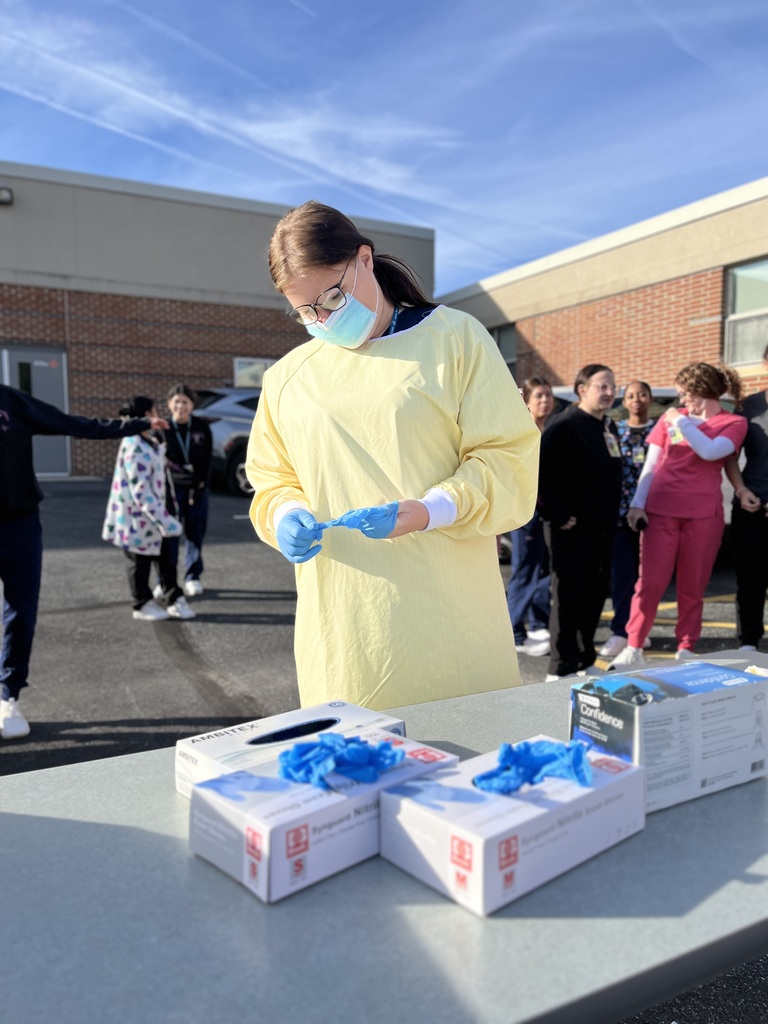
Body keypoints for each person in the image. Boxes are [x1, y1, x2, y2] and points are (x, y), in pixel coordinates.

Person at [245, 200, 540, 710]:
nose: (322, 318)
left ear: (364, 259)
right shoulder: (287, 378)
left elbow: (506, 459)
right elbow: (273, 477)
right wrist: (284, 512)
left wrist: (433, 510)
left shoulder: (455, 339)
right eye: (305, 312)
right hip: (345, 629)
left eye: (332, 296)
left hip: (451, 615)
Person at [0, 385, 168, 740]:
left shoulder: (9, 402)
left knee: (20, 609)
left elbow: (74, 424)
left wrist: (134, 425)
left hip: (19, 524)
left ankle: (8, 693)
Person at [609, 362, 746, 669]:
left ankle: (686, 647)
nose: (681, 402)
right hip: (661, 511)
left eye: (685, 395)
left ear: (702, 391)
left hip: (703, 516)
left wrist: (680, 423)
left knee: (693, 585)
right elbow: (652, 463)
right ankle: (634, 645)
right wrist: (637, 503)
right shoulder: (671, 419)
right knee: (650, 583)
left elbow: (710, 452)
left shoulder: (733, 423)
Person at [538, 364, 623, 680]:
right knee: (568, 597)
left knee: (595, 594)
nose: (610, 392)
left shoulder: (607, 427)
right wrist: (558, 516)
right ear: (581, 389)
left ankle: (586, 657)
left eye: (613, 386)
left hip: (603, 527)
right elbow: (540, 474)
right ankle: (560, 666)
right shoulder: (564, 425)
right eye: (602, 386)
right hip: (571, 528)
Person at [102, 396, 195, 623]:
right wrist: (165, 520)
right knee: (140, 561)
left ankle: (171, 595)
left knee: (166, 558)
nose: (158, 415)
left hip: (156, 514)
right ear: (146, 415)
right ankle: (141, 603)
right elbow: (141, 491)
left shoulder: (148, 440)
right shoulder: (133, 445)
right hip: (140, 518)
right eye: (154, 411)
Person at [598, 381, 656, 659]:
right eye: (631, 395)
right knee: (623, 576)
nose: (637, 400)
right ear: (624, 401)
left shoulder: (660, 430)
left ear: (650, 399)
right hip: (620, 515)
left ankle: (640, 631)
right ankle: (621, 631)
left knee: (649, 578)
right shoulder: (615, 430)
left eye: (642, 395)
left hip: (653, 514)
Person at [724, 344, 768, 652]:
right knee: (750, 579)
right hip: (751, 506)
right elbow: (729, 457)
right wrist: (741, 491)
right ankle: (748, 641)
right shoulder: (747, 407)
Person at [506, 377, 554, 658]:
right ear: (526, 402)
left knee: (543, 568)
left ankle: (538, 623)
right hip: (524, 510)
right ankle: (513, 629)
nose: (544, 400)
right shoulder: (520, 432)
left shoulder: (552, 430)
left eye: (548, 395)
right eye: (538, 396)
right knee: (524, 568)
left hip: (547, 510)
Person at [155, 384, 213, 598]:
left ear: (192, 405)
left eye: (185, 402)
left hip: (196, 489)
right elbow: (160, 463)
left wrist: (200, 486)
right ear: (170, 404)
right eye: (176, 401)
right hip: (169, 490)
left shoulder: (201, 427)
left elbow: (207, 461)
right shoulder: (161, 428)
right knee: (167, 536)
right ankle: (163, 580)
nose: (181, 406)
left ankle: (192, 576)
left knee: (195, 533)